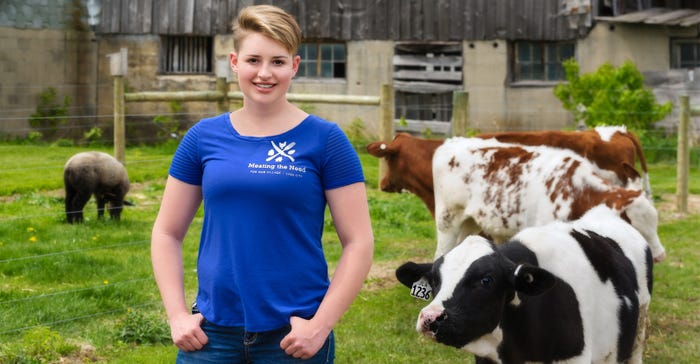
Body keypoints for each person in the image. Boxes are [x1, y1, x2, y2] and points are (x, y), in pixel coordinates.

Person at [150, 4, 374, 363]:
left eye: (278, 62)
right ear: (234, 62)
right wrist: (176, 315)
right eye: (254, 60)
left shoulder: (326, 140)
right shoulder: (202, 138)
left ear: (294, 67)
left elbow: (359, 242)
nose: (265, 73)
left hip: (294, 334)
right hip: (211, 335)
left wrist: (320, 325)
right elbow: (167, 232)